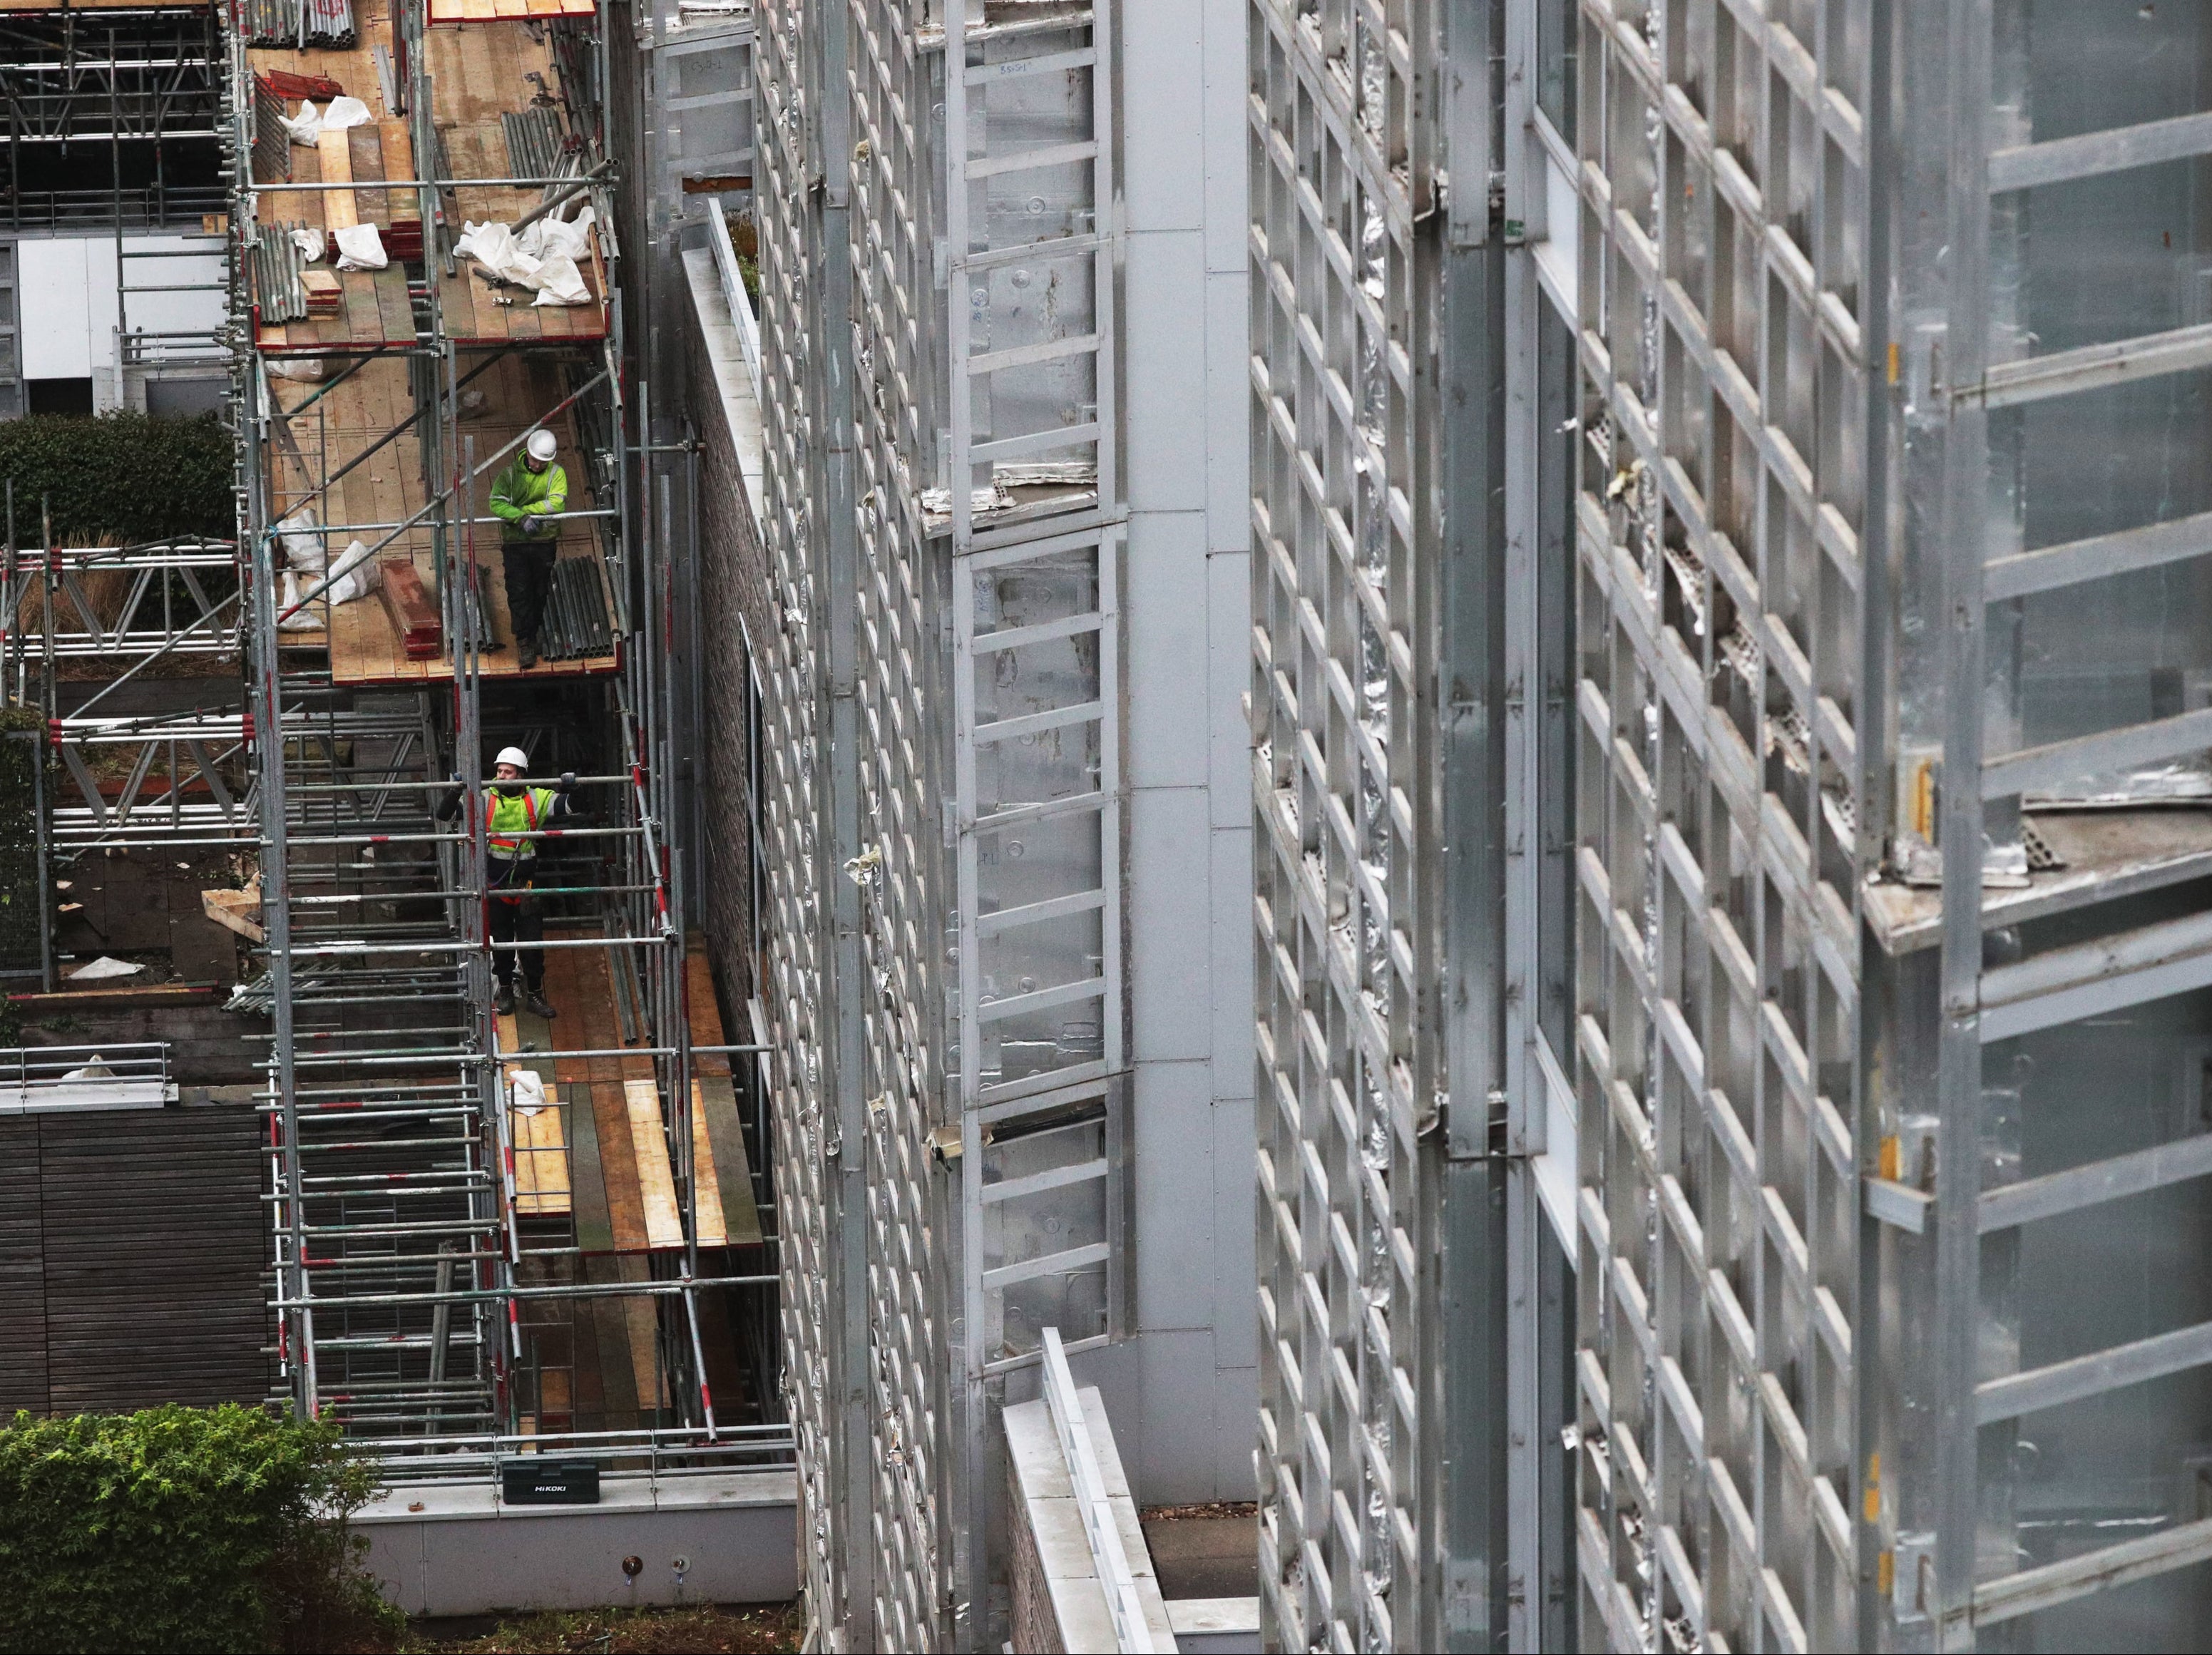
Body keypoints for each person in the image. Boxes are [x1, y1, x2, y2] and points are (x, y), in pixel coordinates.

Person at [436, 746, 575, 1018]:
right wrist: (454, 791)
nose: (501, 776)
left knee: (531, 943)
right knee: (500, 942)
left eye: (508, 772)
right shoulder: (484, 798)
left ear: (521, 774)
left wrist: (575, 788)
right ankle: (507, 992)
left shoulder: (536, 798)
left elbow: (570, 806)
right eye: (499, 771)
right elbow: (444, 815)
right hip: (496, 884)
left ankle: (534, 994)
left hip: (525, 885)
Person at [488, 429, 568, 670]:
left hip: (544, 542)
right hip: (516, 544)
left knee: (540, 590)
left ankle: (535, 633)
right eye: (534, 461)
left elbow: (557, 503)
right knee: (520, 591)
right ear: (527, 454)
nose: (536, 466)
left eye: (542, 463)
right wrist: (521, 518)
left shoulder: (556, 473)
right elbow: (496, 503)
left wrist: (524, 510)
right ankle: (524, 641)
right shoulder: (510, 476)